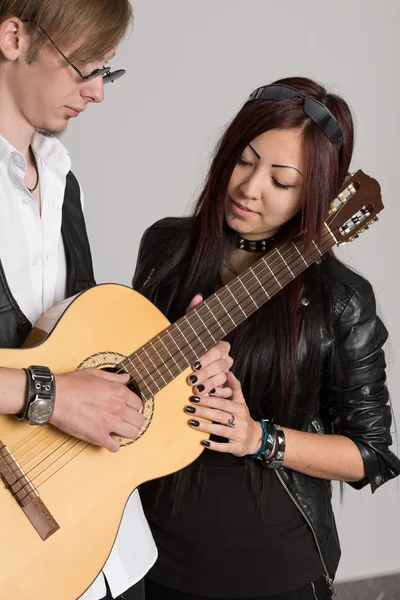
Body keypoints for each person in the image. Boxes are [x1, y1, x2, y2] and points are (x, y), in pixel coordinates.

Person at [132, 76, 400, 600]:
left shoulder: (340, 299)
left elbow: (369, 454)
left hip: (273, 568)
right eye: (245, 160)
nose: (250, 188)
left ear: (315, 193)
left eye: (281, 181)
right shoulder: (165, 247)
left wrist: (259, 436)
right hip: (149, 552)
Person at [0, 3, 232, 599]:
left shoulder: (59, 178)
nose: (98, 93)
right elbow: (56, 385)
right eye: (86, 68)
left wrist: (183, 355)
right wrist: (48, 395)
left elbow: (75, 347)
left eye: (109, 72)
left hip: (109, 548)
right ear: (13, 36)